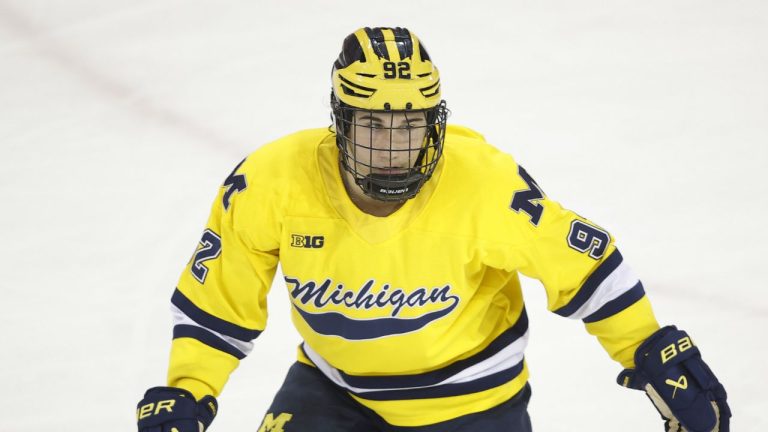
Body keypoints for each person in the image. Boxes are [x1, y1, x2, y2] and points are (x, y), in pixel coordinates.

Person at [136, 27, 730, 432]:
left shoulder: (482, 184)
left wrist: (654, 352)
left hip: (473, 404)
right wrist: (188, 389)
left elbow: (586, 267)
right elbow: (220, 302)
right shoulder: (271, 182)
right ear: (339, 121)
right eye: (373, 124)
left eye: (412, 125)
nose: (394, 146)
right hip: (335, 392)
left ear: (434, 122)